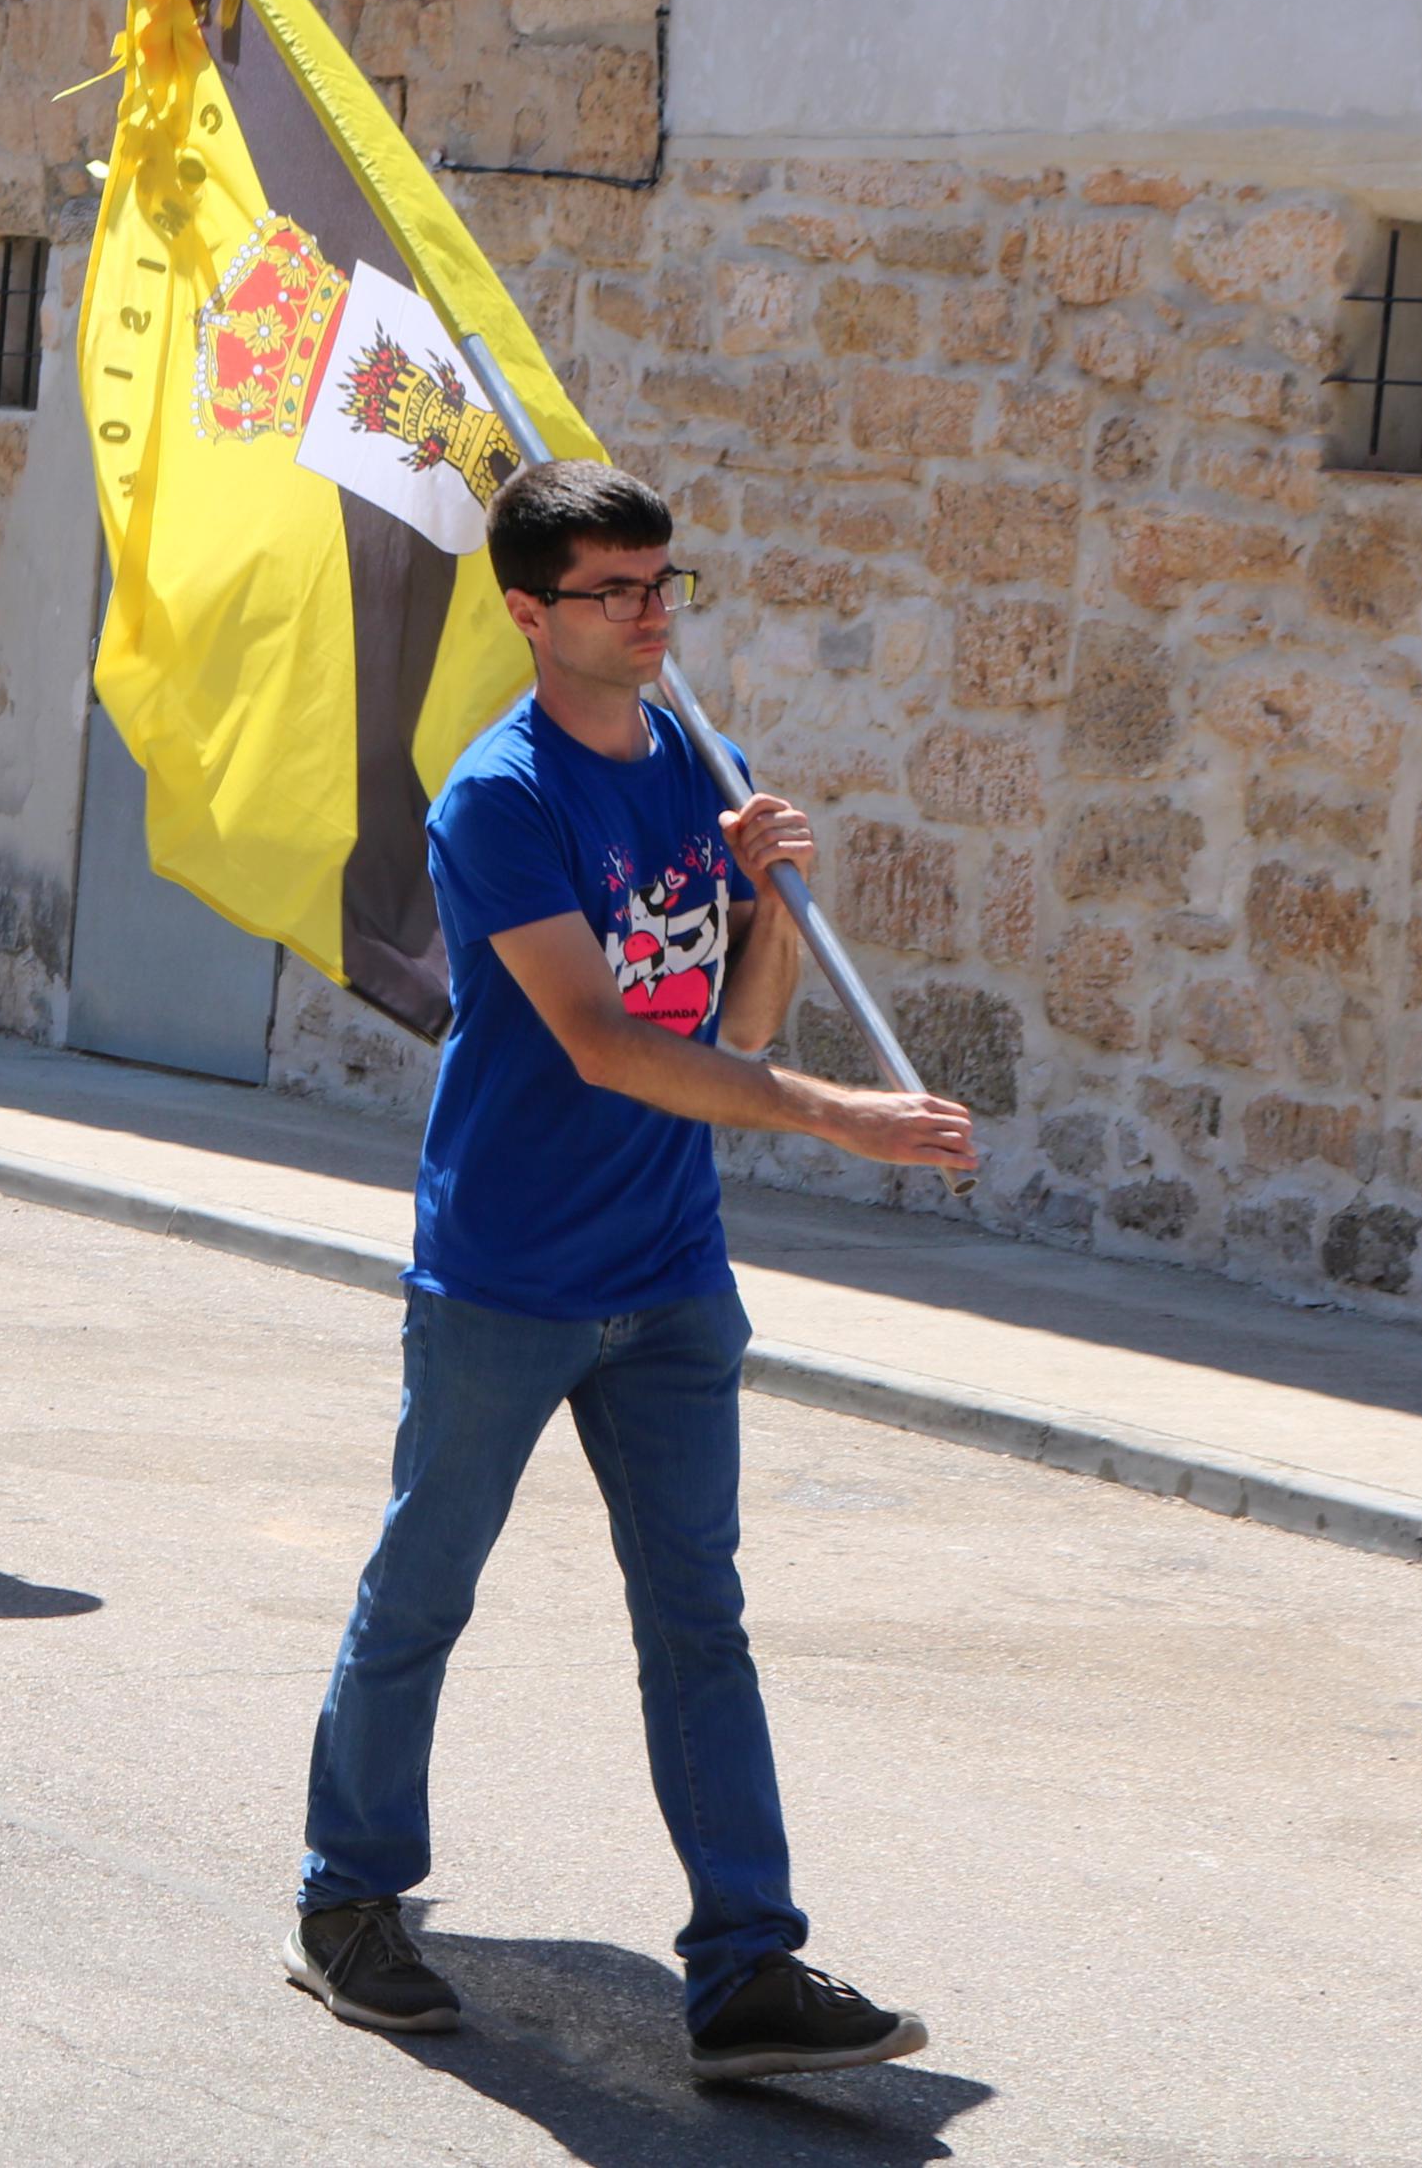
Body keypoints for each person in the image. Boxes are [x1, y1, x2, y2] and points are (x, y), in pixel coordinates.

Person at [280, 460, 979, 2081]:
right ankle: (345, 1902)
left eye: (664, 584)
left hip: (667, 1268)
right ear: (527, 613)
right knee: (421, 1592)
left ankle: (743, 1970)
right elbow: (600, 1045)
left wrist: (771, 913)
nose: (652, 614)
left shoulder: (690, 755)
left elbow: (719, 1034)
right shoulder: (497, 800)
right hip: (507, 1274)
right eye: (614, 590)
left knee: (697, 1620)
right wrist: (842, 1122)